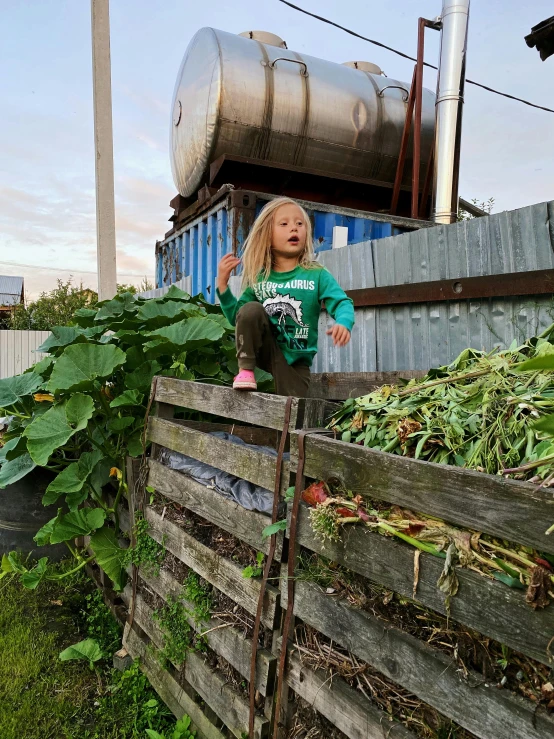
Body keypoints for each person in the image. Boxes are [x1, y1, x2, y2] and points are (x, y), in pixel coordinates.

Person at [216, 196, 354, 396]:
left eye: (300, 223)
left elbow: (342, 302)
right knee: (251, 309)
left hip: (296, 360)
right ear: (267, 235)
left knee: (291, 417)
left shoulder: (317, 274)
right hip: (264, 350)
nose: (294, 228)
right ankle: (245, 370)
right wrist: (222, 285)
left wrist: (344, 322)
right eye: (284, 223)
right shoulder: (259, 278)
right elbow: (238, 318)